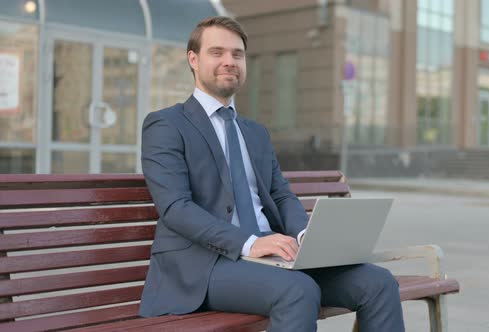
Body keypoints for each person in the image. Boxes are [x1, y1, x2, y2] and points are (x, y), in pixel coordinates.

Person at [138, 16, 405, 332]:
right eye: (217, 52)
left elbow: (280, 194)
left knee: (379, 283)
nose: (229, 62)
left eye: (237, 54)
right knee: (298, 291)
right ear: (193, 60)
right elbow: (175, 209)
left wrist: (306, 237)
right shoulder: (166, 125)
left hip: (273, 256)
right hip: (203, 266)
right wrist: (250, 243)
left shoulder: (255, 133)